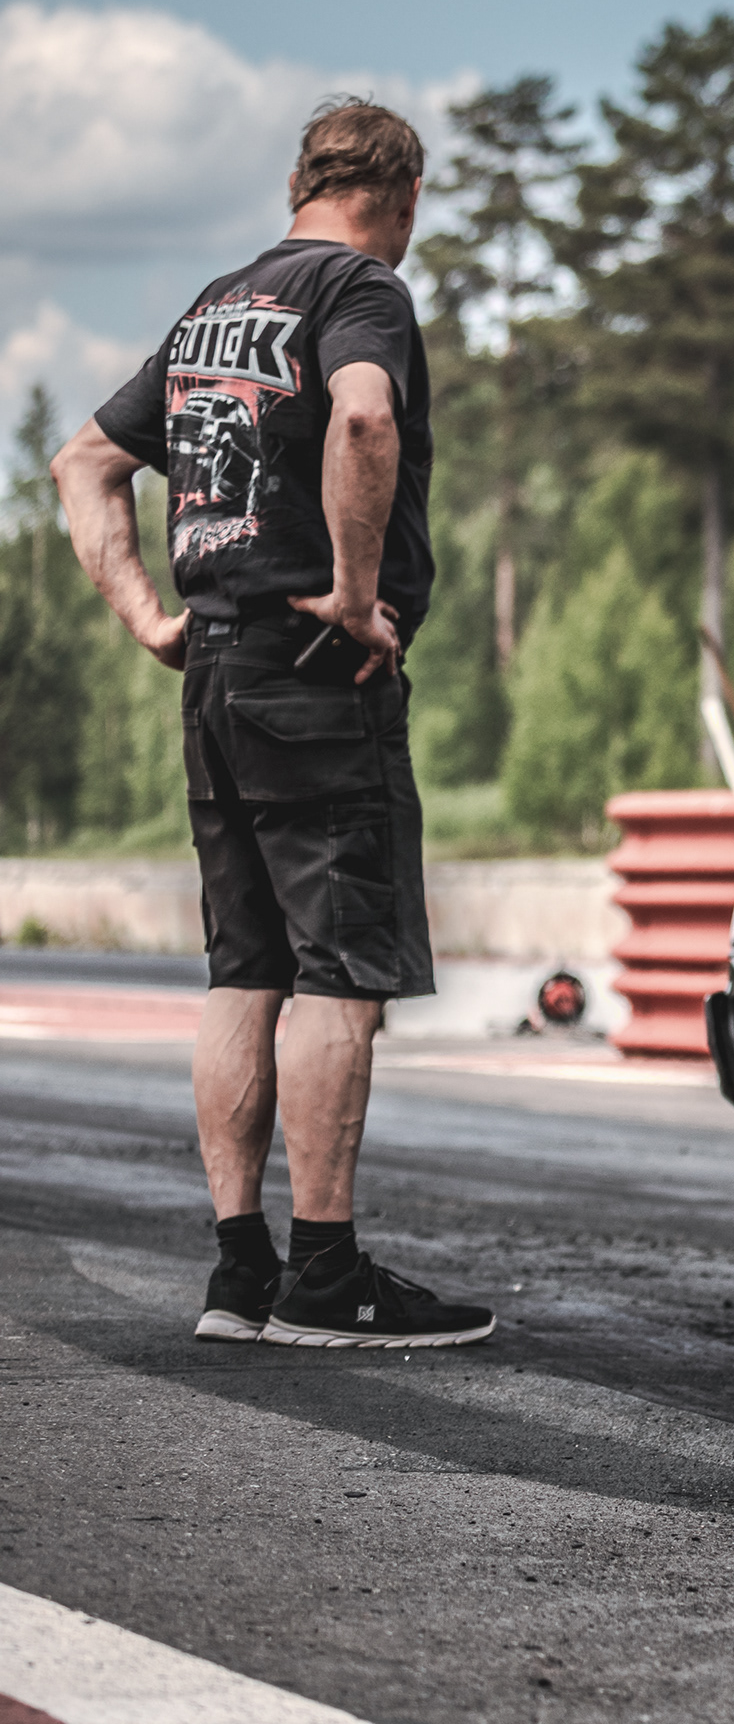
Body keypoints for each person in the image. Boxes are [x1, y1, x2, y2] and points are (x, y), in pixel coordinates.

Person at [53, 98, 496, 1350]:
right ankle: (326, 1276)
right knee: (339, 976)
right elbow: (364, 415)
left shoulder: (214, 308)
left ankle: (239, 1270)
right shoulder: (361, 289)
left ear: (299, 184)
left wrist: (149, 615)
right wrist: (355, 593)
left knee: (243, 968)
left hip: (213, 670)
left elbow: (84, 461)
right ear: (402, 196)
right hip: (315, 672)